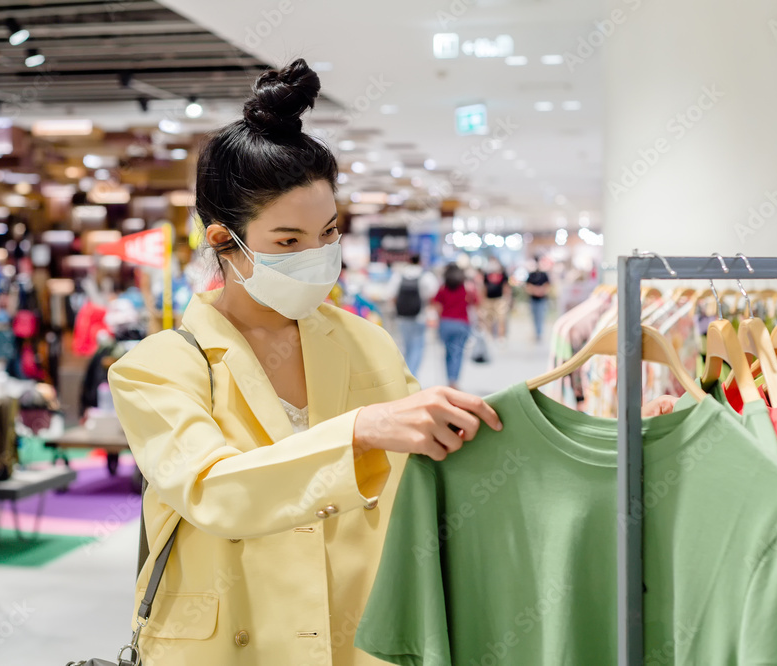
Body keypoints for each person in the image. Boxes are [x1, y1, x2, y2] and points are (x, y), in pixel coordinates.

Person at [105, 59, 502, 666]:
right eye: (288, 242)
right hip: (231, 642)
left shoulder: (368, 344)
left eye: (328, 233)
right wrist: (359, 433)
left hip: (355, 635)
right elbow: (214, 491)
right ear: (223, 243)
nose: (317, 256)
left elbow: (438, 461)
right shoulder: (157, 369)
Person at [387, 253, 439, 376]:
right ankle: (413, 375)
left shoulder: (399, 275)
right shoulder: (426, 275)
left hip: (402, 316)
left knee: (405, 346)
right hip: (419, 316)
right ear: (420, 261)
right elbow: (432, 295)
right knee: (417, 347)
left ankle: (405, 374)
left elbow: (391, 294)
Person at [431, 263, 480, 389]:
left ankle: (450, 378)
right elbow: (476, 303)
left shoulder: (442, 289)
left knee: (448, 352)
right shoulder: (466, 289)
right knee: (458, 352)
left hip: (445, 323)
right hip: (462, 324)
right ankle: (454, 380)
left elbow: (436, 305)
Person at [479, 256, 510, 340]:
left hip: (500, 299)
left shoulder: (503, 274)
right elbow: (484, 287)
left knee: (501, 319)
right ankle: (490, 334)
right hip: (488, 300)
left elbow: (506, 286)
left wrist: (507, 298)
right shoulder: (486, 274)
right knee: (489, 318)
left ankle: (501, 336)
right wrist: (482, 299)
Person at [524, 256, 552, 342]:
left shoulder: (544, 275)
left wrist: (541, 290)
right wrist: (534, 290)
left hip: (542, 299)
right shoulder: (531, 275)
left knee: (541, 316)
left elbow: (548, 285)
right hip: (533, 299)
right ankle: (537, 332)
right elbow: (527, 286)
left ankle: (539, 333)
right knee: (535, 316)